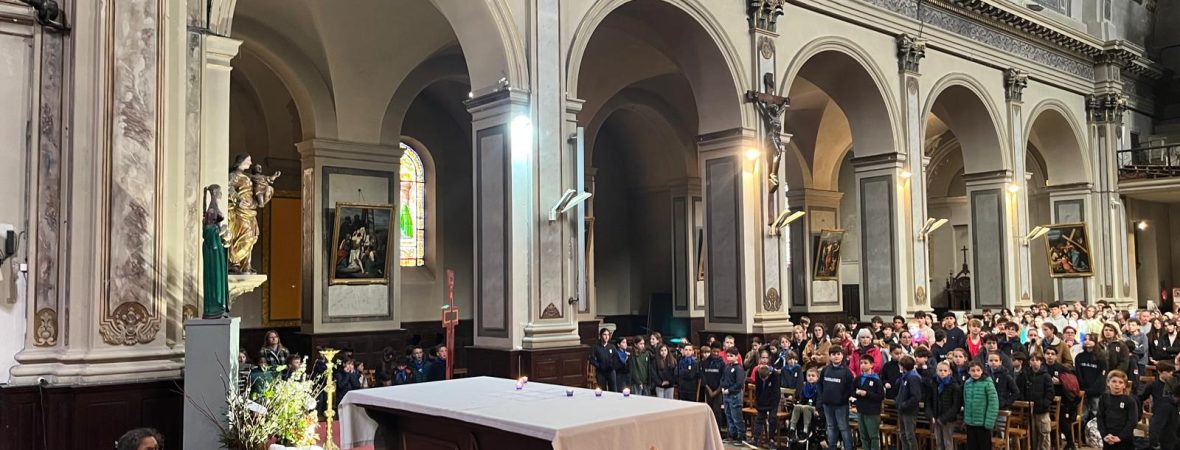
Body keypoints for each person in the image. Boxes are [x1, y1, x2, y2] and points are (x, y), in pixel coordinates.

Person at [820, 347, 855, 450]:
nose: (836, 356)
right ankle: (832, 447)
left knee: (843, 427)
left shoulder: (846, 371)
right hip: (827, 404)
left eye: (838, 354)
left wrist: (843, 399)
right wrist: (822, 397)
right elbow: (819, 384)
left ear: (842, 355)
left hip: (841, 405)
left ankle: (848, 447)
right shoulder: (825, 370)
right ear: (830, 356)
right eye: (833, 354)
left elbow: (850, 387)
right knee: (831, 427)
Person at [1096, 370, 1138, 450]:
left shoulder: (1130, 401)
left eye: (1120, 382)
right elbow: (1100, 417)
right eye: (1114, 381)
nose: (1117, 384)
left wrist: (1120, 437)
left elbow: (1132, 421)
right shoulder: (1104, 398)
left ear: (1124, 385)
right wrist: (1104, 435)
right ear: (1108, 383)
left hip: (1125, 439)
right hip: (1108, 438)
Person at [962, 361, 1000, 450]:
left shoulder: (988, 383)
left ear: (982, 371)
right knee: (972, 446)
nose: (975, 373)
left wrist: (989, 422)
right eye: (973, 370)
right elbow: (965, 400)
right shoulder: (967, 383)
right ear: (969, 371)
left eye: (978, 370)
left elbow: (993, 403)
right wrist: (966, 418)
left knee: (984, 446)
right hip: (970, 422)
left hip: (983, 423)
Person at [1139, 361, 1176, 450]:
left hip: (1173, 416)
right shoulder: (1153, 385)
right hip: (1159, 416)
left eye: (1172, 371)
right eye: (1168, 372)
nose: (1171, 374)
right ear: (1160, 372)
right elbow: (1140, 398)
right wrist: (1141, 410)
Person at [854, 354, 885, 450]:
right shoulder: (858, 378)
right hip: (861, 410)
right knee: (863, 434)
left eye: (865, 363)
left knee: (873, 435)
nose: (863, 365)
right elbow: (852, 390)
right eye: (861, 363)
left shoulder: (876, 379)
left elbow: (880, 396)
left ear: (872, 365)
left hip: (872, 411)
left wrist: (866, 393)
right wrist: (856, 393)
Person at [1024, 354, 1055, 450]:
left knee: (1044, 432)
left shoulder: (1046, 376)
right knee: (1032, 433)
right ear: (1029, 362)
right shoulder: (1026, 375)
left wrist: (1045, 403)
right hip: (1030, 408)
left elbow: (1050, 392)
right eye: (1032, 360)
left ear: (1041, 362)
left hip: (1042, 409)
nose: (1035, 362)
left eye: (1037, 360)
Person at [928, 362, 962, 450]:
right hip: (936, 417)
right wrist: (931, 416)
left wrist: (943, 418)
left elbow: (956, 406)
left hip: (948, 420)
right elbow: (928, 402)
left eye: (945, 370)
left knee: (948, 443)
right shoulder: (933, 383)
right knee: (939, 442)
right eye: (940, 370)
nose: (942, 372)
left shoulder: (954, 386)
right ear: (936, 371)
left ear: (949, 372)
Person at [1075, 333, 1107, 424]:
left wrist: (1093, 388)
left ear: (1095, 342)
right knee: (1083, 413)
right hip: (1083, 390)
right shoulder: (1079, 357)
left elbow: (1102, 375)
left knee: (1095, 412)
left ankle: (1095, 430)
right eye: (1085, 339)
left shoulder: (1101, 357)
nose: (1087, 341)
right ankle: (1082, 430)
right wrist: (1083, 388)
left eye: (1090, 339)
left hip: (1096, 390)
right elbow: (1078, 373)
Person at [894, 355, 923, 450]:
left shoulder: (913, 377)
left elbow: (916, 396)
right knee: (902, 434)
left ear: (903, 366)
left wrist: (904, 405)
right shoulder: (905, 376)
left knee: (910, 435)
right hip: (902, 410)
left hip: (909, 411)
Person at [720, 348, 747, 445]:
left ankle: (741, 436)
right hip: (726, 395)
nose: (729, 358)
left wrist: (730, 390)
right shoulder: (727, 366)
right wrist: (723, 387)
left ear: (736, 356)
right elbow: (722, 378)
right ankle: (732, 435)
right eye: (727, 356)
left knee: (736, 417)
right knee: (729, 415)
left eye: (731, 356)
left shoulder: (739, 368)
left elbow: (739, 383)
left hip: (735, 395)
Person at [752, 365, 782, 449]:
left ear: (769, 374)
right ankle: (755, 439)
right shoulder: (757, 373)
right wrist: (758, 403)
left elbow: (776, 392)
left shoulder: (775, 375)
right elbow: (758, 389)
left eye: (765, 378)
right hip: (762, 399)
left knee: (772, 419)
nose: (763, 380)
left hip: (773, 400)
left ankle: (771, 440)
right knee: (759, 418)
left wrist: (773, 405)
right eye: (762, 378)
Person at [789, 367, 821, 439]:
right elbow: (801, 398)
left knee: (806, 407)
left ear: (817, 377)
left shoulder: (819, 387)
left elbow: (820, 399)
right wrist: (799, 404)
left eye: (813, 376)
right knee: (797, 407)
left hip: (814, 407)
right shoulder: (804, 386)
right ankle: (792, 429)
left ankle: (806, 430)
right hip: (805, 405)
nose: (810, 377)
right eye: (809, 376)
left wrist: (817, 409)